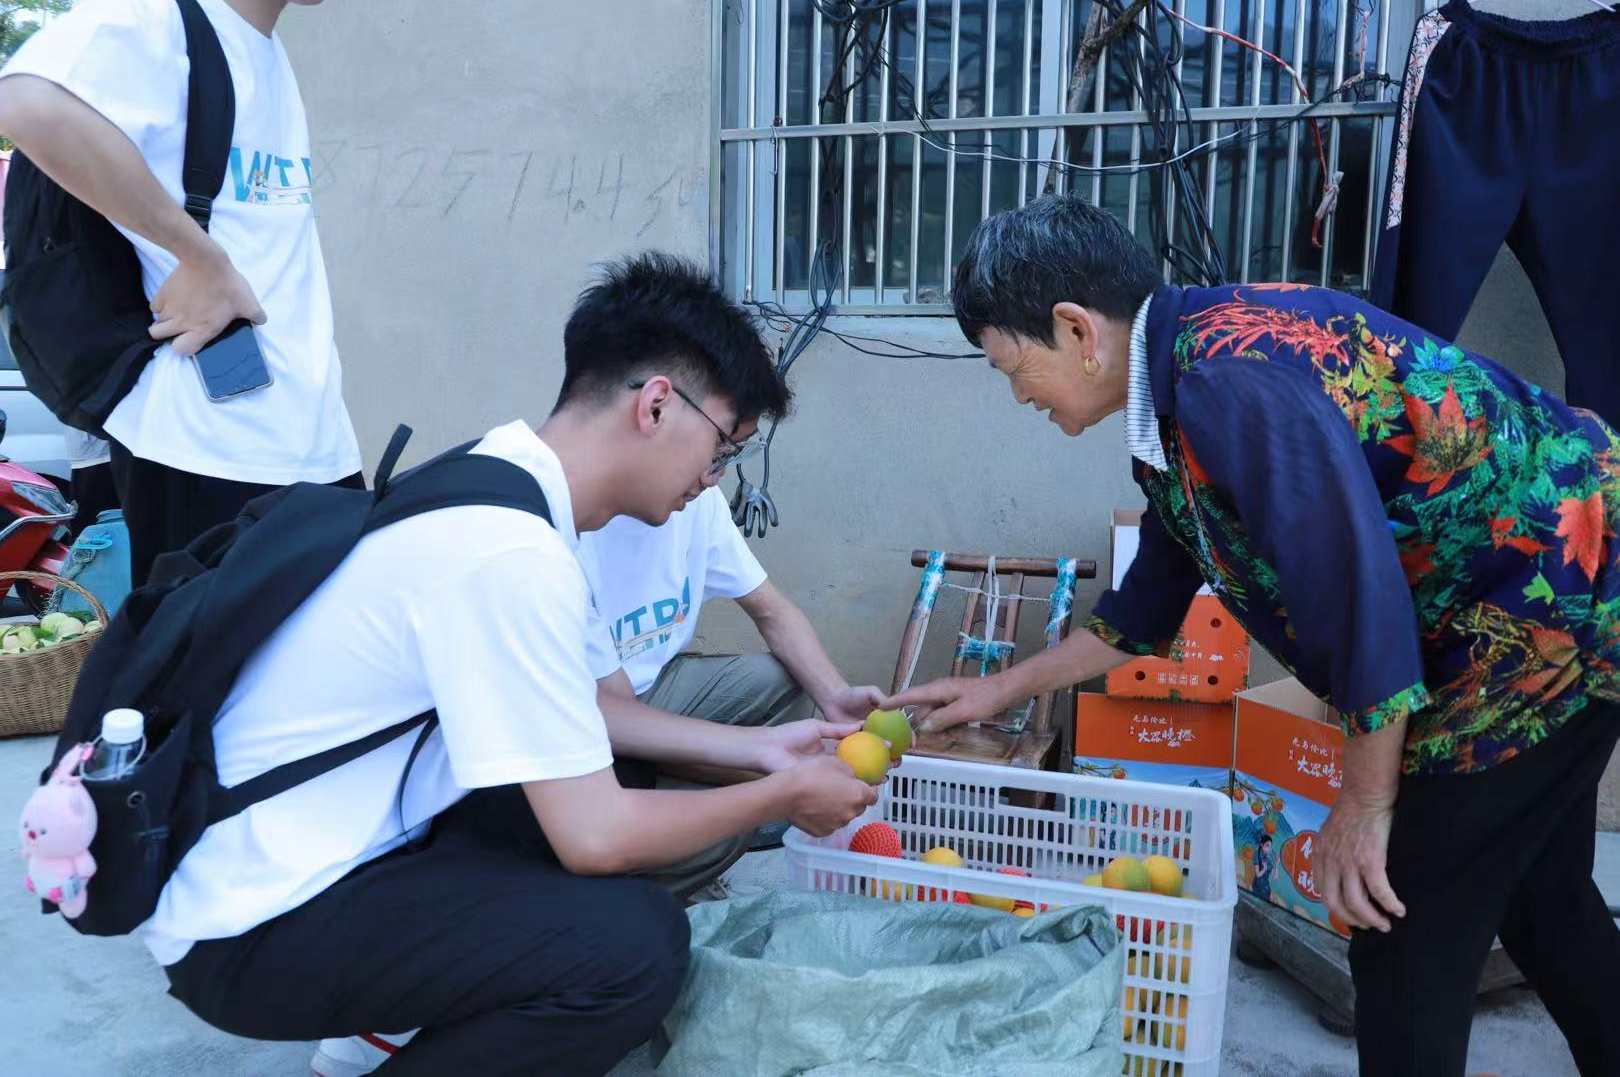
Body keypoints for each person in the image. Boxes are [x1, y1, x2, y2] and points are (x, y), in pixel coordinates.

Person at [889, 194, 1620, 1076]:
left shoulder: (1226, 384)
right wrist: (996, 690)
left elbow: (1356, 594)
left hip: (1548, 606)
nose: (1019, 396)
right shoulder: (1176, 394)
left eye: (1014, 368)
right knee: (1539, 891)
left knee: (1400, 926)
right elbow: (1143, 611)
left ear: (1077, 330)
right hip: (1564, 594)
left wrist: (1364, 805)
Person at [142, 252, 877, 1077]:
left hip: (290, 859)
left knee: (590, 800)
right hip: (259, 918)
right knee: (634, 949)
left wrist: (766, 750)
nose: (712, 483)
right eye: (722, 450)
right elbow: (595, 836)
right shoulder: (510, 553)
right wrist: (780, 796)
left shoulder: (497, 477)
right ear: (656, 405)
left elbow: (594, 715)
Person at [0, 0, 363, 586]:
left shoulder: (264, 48)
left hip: (311, 440)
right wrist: (202, 259)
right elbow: (28, 101)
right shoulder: (162, 15)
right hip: (205, 445)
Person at [579, 480, 885, 826]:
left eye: (729, 455)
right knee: (725, 831)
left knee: (787, 677)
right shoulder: (568, 529)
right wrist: (771, 782)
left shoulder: (698, 499)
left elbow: (770, 608)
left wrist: (835, 695)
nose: (713, 477)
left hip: (654, 687)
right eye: (717, 453)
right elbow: (620, 720)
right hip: (600, 710)